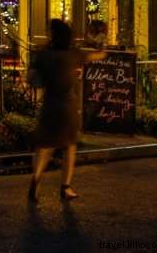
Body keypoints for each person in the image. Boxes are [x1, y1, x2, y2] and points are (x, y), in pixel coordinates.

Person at [29, 20, 105, 202]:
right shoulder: (74, 55)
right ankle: (65, 186)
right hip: (68, 105)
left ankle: (36, 180)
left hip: (49, 104)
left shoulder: (43, 55)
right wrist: (100, 45)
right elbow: (99, 55)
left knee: (45, 146)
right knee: (69, 145)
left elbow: (32, 78)